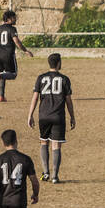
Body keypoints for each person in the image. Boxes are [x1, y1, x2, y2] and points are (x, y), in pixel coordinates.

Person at [27, 53, 75, 183]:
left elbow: (35, 98)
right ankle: (55, 176)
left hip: (43, 115)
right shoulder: (65, 79)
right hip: (58, 116)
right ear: (58, 63)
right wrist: (72, 116)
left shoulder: (41, 78)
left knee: (43, 141)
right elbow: (68, 101)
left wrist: (30, 114)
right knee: (56, 145)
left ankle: (46, 173)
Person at [0, 9, 33, 103]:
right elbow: (17, 42)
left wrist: (0, 44)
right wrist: (25, 50)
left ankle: (1, 97)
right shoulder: (12, 29)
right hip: (8, 55)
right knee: (13, 75)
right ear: (9, 19)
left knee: (2, 75)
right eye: (14, 18)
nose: (15, 19)